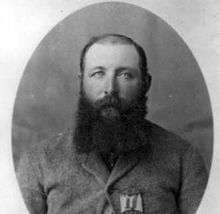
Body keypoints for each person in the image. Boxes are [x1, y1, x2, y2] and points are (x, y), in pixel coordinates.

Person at [16, 34, 208, 214]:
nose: (110, 89)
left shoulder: (184, 159)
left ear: (145, 83)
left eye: (125, 75)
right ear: (81, 81)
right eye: (98, 74)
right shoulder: (38, 162)